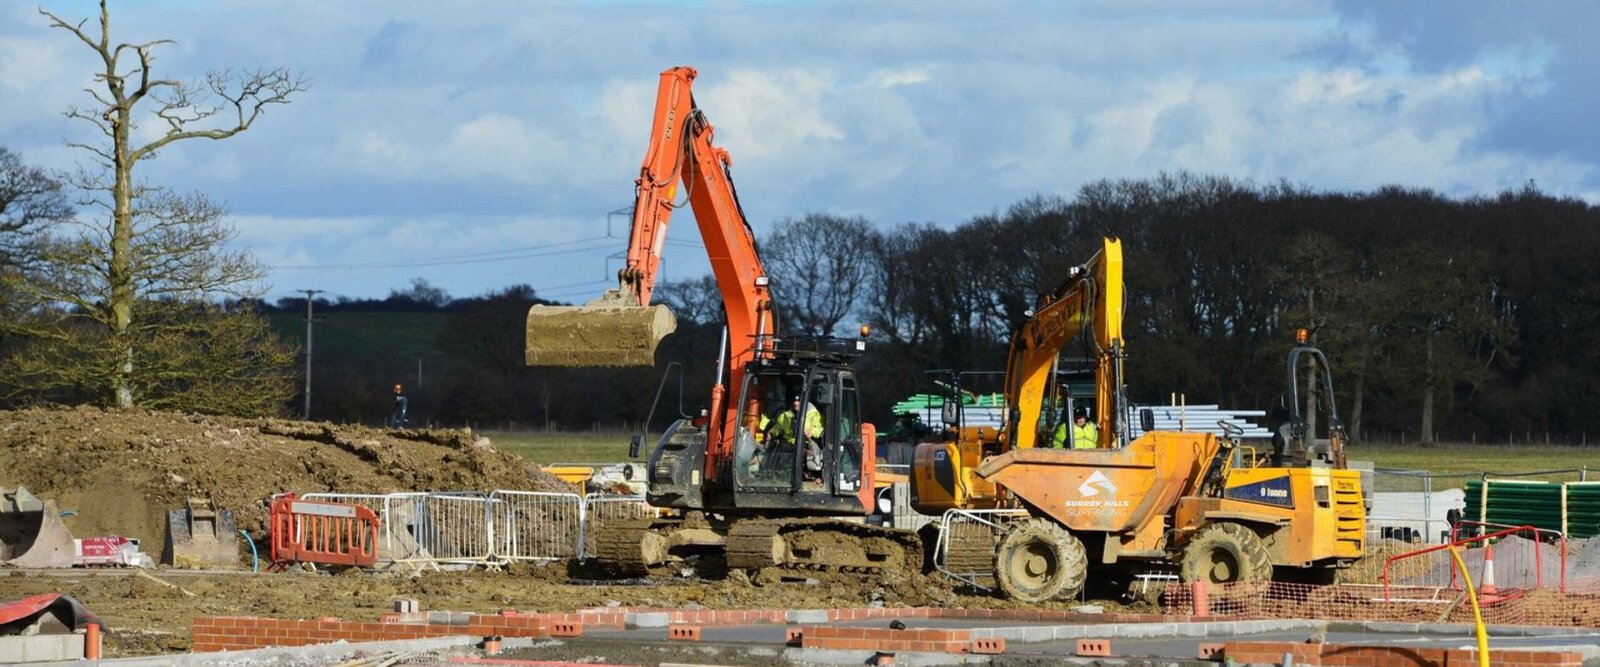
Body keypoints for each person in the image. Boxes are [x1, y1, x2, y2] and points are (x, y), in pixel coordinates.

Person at [765, 394, 823, 475]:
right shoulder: (785, 416)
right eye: (794, 401)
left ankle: (799, 474)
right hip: (788, 443)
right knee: (779, 448)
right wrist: (771, 432)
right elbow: (778, 428)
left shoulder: (813, 414)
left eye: (798, 401)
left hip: (804, 443)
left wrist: (812, 432)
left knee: (799, 453)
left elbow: (820, 429)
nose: (796, 403)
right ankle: (775, 473)